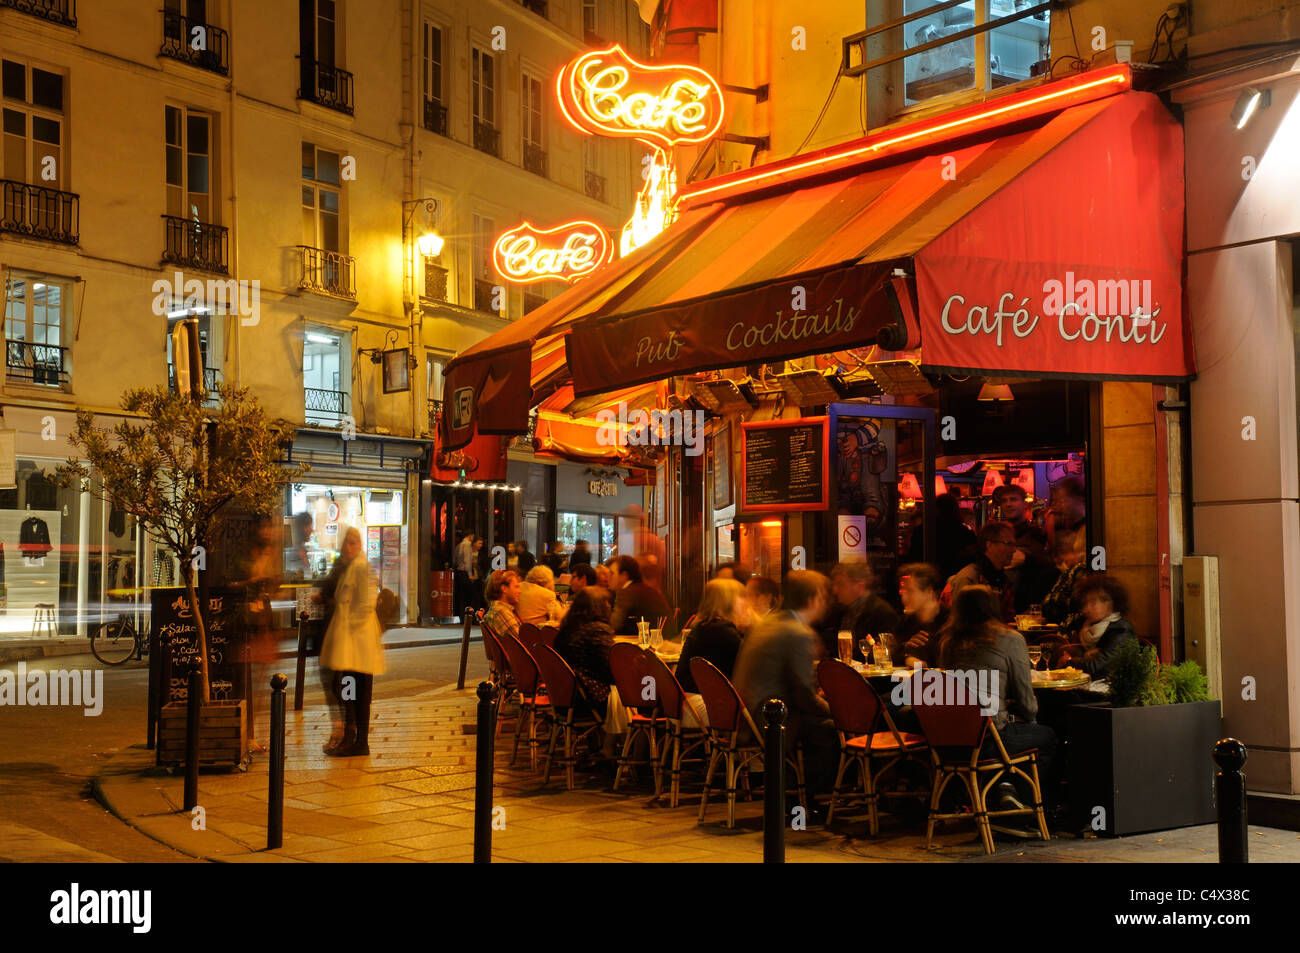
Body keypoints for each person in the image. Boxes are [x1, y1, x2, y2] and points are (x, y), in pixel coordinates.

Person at [934, 585, 1056, 811]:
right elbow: (1027, 703)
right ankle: (1028, 809)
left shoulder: (948, 642)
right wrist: (1027, 718)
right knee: (1045, 736)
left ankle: (1003, 788)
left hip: (949, 741)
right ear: (993, 607)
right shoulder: (1010, 639)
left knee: (1012, 732)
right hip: (989, 738)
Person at [733, 570, 839, 811]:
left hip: (748, 713)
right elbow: (803, 695)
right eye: (823, 598)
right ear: (812, 600)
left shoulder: (767, 624)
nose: (826, 604)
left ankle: (797, 796)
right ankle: (804, 801)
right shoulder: (798, 633)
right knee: (833, 731)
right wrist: (837, 711)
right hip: (771, 720)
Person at [318, 527, 386, 757]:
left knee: (356, 691)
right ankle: (352, 737)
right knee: (349, 690)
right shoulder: (351, 567)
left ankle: (358, 741)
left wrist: (350, 628)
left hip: (357, 643)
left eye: (353, 543)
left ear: (360, 545)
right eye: (346, 542)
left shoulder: (362, 567)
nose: (348, 547)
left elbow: (366, 604)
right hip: (351, 643)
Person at [677, 578, 750, 697]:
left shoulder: (704, 626)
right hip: (703, 704)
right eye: (741, 596)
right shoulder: (723, 631)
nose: (746, 602)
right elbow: (750, 664)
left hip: (687, 699)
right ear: (727, 601)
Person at [820, 561, 900, 662]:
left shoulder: (881, 612)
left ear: (859, 586)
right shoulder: (840, 610)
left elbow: (885, 655)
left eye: (840, 584)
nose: (835, 590)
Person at [1060, 574, 1139, 676]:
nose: (1087, 608)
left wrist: (1069, 662)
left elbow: (1097, 667)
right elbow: (1072, 652)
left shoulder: (1121, 630)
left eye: (1093, 603)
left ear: (1110, 603)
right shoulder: (1086, 628)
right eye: (1085, 603)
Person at [943, 521, 1017, 623]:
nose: (1014, 550)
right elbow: (962, 624)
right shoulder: (969, 578)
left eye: (1014, 544)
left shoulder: (1001, 578)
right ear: (989, 545)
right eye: (1009, 544)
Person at [910, 492, 978, 582]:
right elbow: (972, 559)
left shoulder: (922, 530)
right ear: (955, 509)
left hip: (927, 578)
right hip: (956, 579)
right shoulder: (964, 532)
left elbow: (913, 556)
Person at [895, 562, 949, 667]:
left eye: (910, 591)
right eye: (902, 591)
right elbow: (892, 652)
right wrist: (907, 659)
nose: (904, 598)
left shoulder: (950, 621)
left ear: (929, 591)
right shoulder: (907, 622)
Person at [609, 554, 669, 636]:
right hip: (664, 638)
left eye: (612, 574)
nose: (608, 577)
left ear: (624, 575)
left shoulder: (627, 592)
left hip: (652, 643)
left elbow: (615, 625)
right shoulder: (643, 589)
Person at [1046, 477, 1087, 571]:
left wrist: (1077, 558)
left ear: (1078, 499)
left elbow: (1100, 560)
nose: (1060, 506)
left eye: (1063, 501)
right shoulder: (1064, 526)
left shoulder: (1093, 527)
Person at [482, 568, 522, 642]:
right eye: (516, 587)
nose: (519, 591)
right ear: (504, 589)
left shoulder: (498, 610)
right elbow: (520, 643)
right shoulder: (501, 612)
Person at [453, 533, 476, 617]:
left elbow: (455, 559)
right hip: (464, 572)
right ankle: (467, 616)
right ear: (470, 536)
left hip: (459, 572)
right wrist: (470, 574)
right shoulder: (467, 545)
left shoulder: (458, 545)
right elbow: (467, 560)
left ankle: (459, 615)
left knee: (460, 595)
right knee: (468, 595)